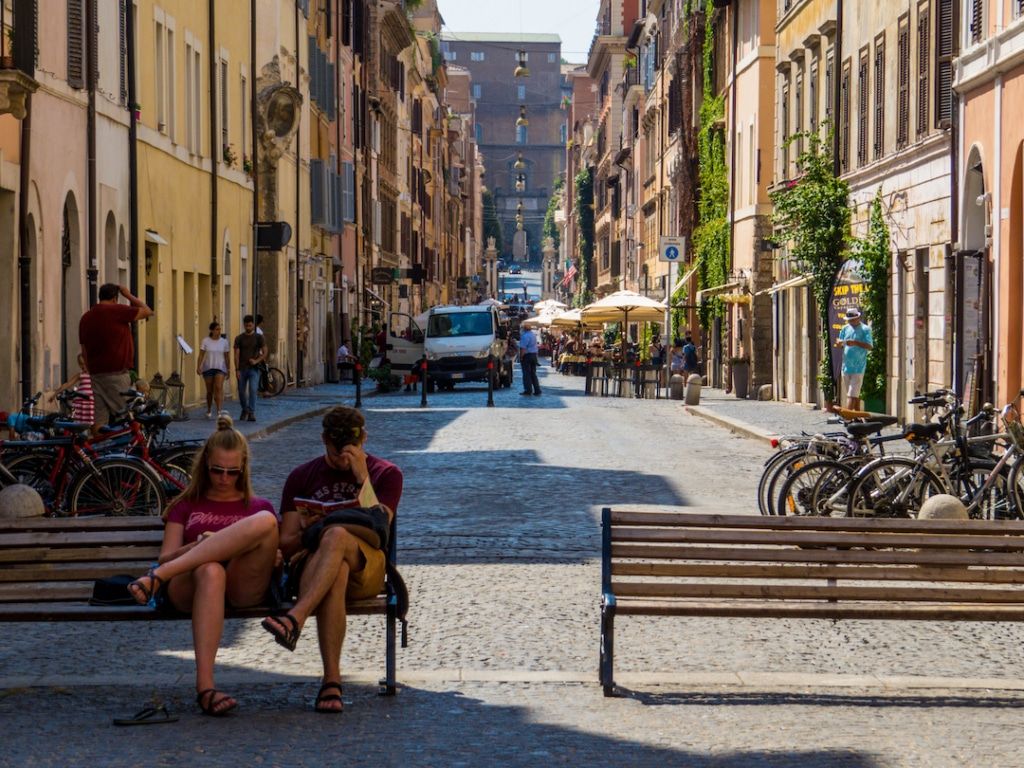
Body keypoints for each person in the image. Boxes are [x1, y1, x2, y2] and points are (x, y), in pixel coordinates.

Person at [127, 416, 279, 717]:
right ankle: (205, 687)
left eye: (232, 472)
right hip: (191, 586)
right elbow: (166, 557)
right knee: (211, 570)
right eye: (217, 470)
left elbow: (275, 558)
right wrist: (200, 546)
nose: (224, 478)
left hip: (242, 586)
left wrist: (246, 547)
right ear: (205, 465)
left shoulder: (258, 507)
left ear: (243, 468)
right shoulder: (185, 505)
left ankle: (155, 580)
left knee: (266, 521)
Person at [261, 407, 403, 713]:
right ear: (324, 439)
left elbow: (380, 526)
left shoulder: (386, 474)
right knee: (335, 565)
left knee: (337, 536)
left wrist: (362, 477)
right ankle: (331, 683)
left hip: (366, 564)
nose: (342, 457)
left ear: (363, 438)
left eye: (350, 448)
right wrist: (313, 531)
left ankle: (295, 618)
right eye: (335, 449)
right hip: (313, 564)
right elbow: (285, 543)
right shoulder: (301, 476)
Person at [78, 283, 154, 429]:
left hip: (96, 376)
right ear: (114, 298)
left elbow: (84, 349)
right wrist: (128, 295)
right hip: (117, 375)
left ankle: (100, 450)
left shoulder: (85, 318)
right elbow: (147, 311)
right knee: (130, 418)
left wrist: (90, 369)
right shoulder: (117, 310)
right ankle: (132, 450)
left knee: (99, 421)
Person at [836, 307, 873, 411]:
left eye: (852, 320)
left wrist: (855, 342)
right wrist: (839, 343)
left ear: (858, 318)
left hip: (858, 366)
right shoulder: (845, 329)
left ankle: (847, 417)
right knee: (854, 394)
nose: (850, 322)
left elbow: (870, 346)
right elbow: (839, 341)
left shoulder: (865, 329)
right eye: (849, 320)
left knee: (851, 395)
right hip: (846, 366)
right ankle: (857, 416)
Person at [233, 315, 265, 422]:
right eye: (246, 325)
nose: (248, 327)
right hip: (242, 368)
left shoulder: (259, 337)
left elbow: (265, 352)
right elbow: (236, 354)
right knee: (241, 392)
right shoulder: (239, 338)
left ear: (253, 325)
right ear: (244, 325)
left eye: (250, 325)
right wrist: (236, 369)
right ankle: (244, 409)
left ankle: (251, 412)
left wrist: (256, 361)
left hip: (254, 369)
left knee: (252, 389)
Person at [197, 321, 231, 418]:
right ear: (211, 330)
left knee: (218, 387)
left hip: (220, 368)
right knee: (209, 391)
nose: (219, 331)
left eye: (219, 329)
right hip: (208, 368)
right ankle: (208, 409)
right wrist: (198, 366)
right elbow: (201, 354)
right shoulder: (205, 341)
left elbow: (227, 356)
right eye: (217, 329)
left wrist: (228, 369)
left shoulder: (224, 342)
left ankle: (219, 411)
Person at [52, 353, 94, 424]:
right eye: (80, 364)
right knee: (79, 424)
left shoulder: (94, 374)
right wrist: (55, 394)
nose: (82, 366)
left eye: (84, 363)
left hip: (90, 404)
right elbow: (68, 384)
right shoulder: (80, 375)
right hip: (80, 405)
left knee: (92, 425)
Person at [519, 324, 541, 396]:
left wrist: (521, 357)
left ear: (524, 329)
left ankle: (528, 390)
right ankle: (537, 390)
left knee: (526, 374)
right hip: (533, 355)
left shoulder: (525, 336)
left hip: (527, 356)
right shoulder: (533, 335)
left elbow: (523, 348)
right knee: (533, 373)